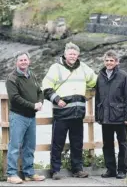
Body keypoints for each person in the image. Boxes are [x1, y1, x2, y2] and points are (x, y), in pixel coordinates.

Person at [42, 42, 98, 180]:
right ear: (65, 54)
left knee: (77, 143)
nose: (72, 56)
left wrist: (91, 93)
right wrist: (56, 100)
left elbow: (95, 81)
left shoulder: (84, 68)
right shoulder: (55, 68)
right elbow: (46, 87)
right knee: (57, 143)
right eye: (70, 53)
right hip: (61, 113)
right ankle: (55, 171)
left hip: (78, 113)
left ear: (78, 55)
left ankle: (77, 169)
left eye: (75, 53)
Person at [5, 51, 46, 184]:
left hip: (31, 117)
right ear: (16, 62)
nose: (23, 62)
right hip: (18, 116)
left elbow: (40, 91)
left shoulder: (32, 75)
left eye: (25, 60)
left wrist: (40, 103)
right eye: (21, 60)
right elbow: (15, 98)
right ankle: (11, 174)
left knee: (30, 146)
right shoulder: (12, 78)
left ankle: (29, 173)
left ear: (29, 61)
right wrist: (32, 105)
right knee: (15, 146)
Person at [94, 50, 127, 179]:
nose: (109, 63)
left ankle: (122, 170)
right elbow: (98, 98)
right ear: (104, 62)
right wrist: (97, 115)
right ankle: (110, 170)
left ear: (117, 62)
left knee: (122, 144)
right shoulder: (100, 76)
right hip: (105, 117)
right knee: (107, 145)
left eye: (111, 60)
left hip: (120, 117)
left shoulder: (123, 76)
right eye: (107, 60)